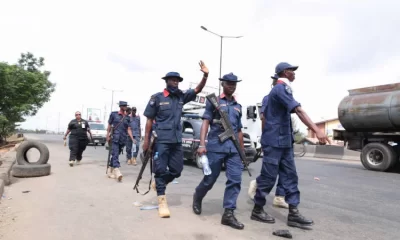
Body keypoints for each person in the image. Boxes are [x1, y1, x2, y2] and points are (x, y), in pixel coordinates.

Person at [250, 62, 331, 229]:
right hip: (274, 142)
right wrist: (317, 130)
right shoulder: (280, 89)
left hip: (284, 142)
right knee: (268, 177)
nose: (294, 73)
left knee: (290, 176)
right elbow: (299, 110)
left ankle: (293, 214)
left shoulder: (284, 89)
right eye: (292, 71)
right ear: (285, 72)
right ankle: (257, 209)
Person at [143, 61, 209, 218]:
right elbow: (149, 121)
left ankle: (160, 183)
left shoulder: (181, 97)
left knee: (177, 170)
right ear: (166, 81)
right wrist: (146, 141)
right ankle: (162, 201)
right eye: (173, 80)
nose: (175, 82)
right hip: (161, 141)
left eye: (177, 81)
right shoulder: (157, 98)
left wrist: (205, 75)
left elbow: (198, 89)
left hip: (177, 141)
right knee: (160, 171)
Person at [192, 73, 245, 230]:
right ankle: (198, 196)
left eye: (234, 84)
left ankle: (228, 213)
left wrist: (242, 152)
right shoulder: (214, 101)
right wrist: (202, 144)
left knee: (235, 180)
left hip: (233, 149)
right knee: (210, 179)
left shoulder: (238, 106)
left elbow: (239, 130)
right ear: (223, 84)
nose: (232, 86)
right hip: (216, 145)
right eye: (229, 83)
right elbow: (205, 122)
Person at [248, 73, 289, 209]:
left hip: (284, 139)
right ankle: (257, 183)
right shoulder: (268, 98)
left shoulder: (285, 98)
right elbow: (263, 118)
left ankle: (279, 196)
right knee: (271, 171)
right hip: (272, 139)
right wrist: (265, 138)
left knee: (285, 170)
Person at [106, 101, 134, 182]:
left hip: (123, 139)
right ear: (120, 106)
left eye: (126, 105)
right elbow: (109, 125)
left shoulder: (127, 117)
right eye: (124, 105)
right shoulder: (114, 114)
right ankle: (117, 171)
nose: (125, 107)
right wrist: (107, 135)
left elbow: (128, 129)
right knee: (115, 153)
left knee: (116, 154)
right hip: (115, 137)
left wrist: (132, 139)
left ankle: (110, 170)